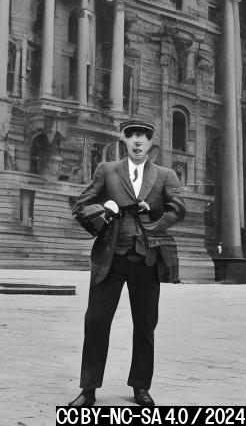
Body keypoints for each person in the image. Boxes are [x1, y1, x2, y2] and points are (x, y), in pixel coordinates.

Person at [67, 119, 186, 408]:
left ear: (150, 142)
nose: (137, 141)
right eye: (131, 135)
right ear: (123, 139)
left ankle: (141, 387)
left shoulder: (165, 174)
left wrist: (155, 220)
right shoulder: (107, 170)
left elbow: (178, 208)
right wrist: (104, 208)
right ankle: (89, 389)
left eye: (143, 137)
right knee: (96, 322)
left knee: (145, 325)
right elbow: (80, 204)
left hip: (146, 258)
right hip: (110, 257)